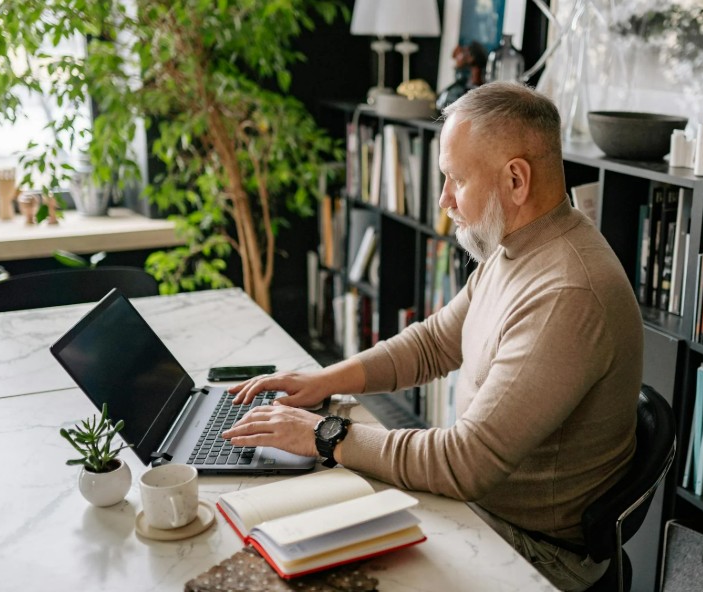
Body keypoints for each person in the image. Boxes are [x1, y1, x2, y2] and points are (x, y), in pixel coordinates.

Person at [222, 81, 644, 591]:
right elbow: (434, 343)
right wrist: (323, 381)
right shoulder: (518, 246)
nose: (444, 199)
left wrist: (323, 434)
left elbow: (465, 463)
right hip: (481, 508)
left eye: (456, 180)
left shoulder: (567, 293)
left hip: (536, 553)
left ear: (516, 180)